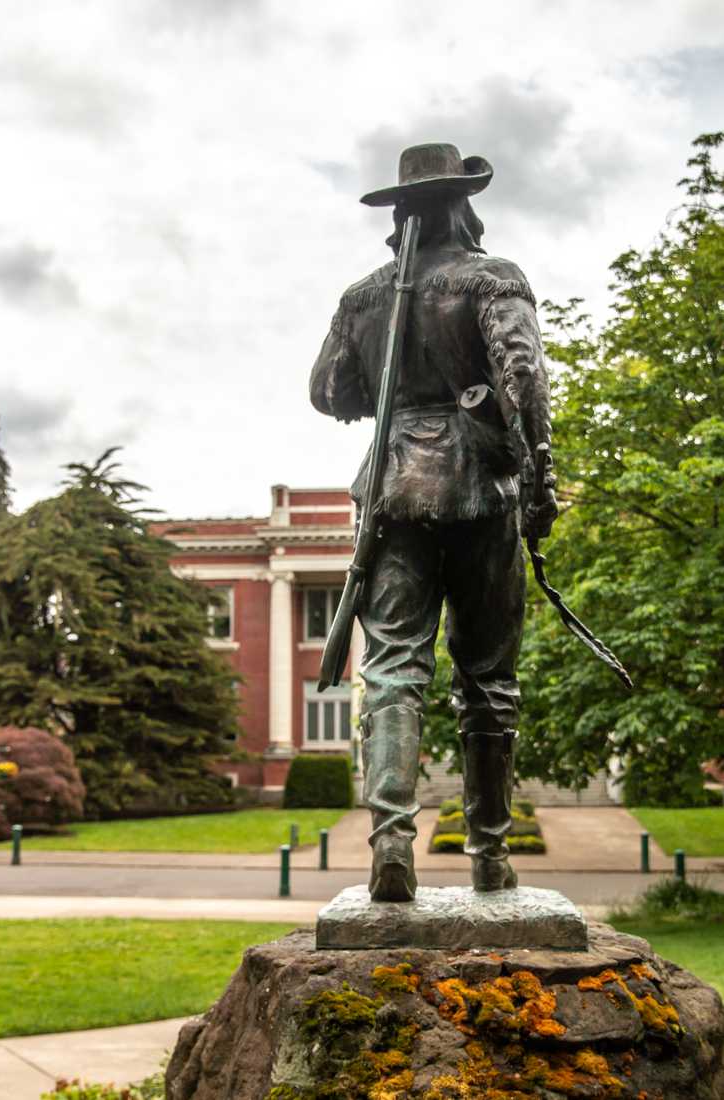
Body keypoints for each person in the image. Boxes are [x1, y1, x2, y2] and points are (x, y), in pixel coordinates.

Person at [309, 143, 558, 902]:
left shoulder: (363, 297)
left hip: (392, 494)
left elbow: (327, 390)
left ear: (402, 212)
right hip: (482, 488)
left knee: (391, 671)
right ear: (460, 204)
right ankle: (489, 854)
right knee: (488, 679)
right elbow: (521, 372)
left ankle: (391, 842)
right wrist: (540, 470)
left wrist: (390, 382)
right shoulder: (492, 277)